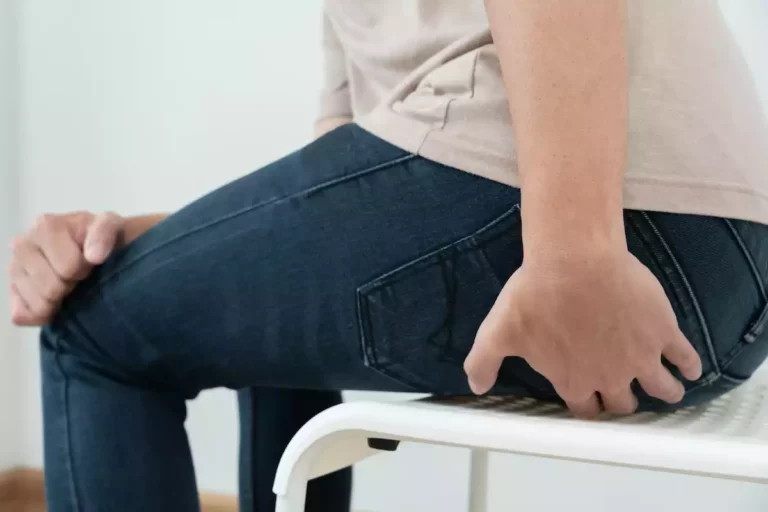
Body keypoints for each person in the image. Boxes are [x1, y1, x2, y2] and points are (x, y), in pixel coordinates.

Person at [7, 1, 768, 511]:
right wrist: (139, 246)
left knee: (94, 333)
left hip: (605, 216)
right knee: (258, 336)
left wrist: (577, 249)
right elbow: (329, 201)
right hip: (733, 264)